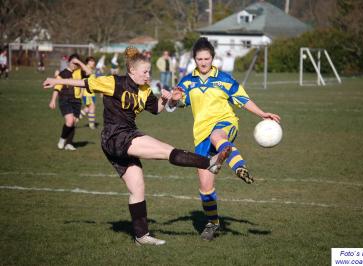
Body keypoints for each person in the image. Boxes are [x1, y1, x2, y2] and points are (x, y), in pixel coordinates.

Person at [43, 47, 231, 246]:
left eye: (149, 71)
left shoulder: (145, 90)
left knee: (137, 188)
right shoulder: (114, 82)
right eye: (145, 72)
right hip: (116, 135)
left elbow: (157, 109)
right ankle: (209, 163)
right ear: (132, 70)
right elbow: (84, 82)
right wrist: (56, 81)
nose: (148, 75)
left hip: (126, 136)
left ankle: (141, 237)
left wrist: (167, 99)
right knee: (165, 150)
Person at [167, 37, 281, 241]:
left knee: (217, 135)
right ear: (194, 59)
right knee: (205, 186)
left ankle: (239, 166)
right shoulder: (187, 81)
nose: (203, 62)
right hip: (200, 134)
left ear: (213, 58)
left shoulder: (224, 79)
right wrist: (173, 100)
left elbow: (243, 99)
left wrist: (262, 114)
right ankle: (213, 223)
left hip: (225, 123)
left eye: (207, 58)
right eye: (200, 59)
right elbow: (174, 105)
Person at [48, 53, 92, 151]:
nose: (74, 65)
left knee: (73, 123)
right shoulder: (62, 73)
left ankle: (69, 143)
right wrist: (53, 100)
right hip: (65, 99)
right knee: (70, 121)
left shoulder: (80, 72)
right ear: (69, 62)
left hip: (77, 101)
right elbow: (57, 87)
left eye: (76, 64)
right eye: (73, 62)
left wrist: (79, 62)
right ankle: (62, 140)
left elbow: (89, 72)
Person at [80, 57, 97, 129]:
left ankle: (76, 118)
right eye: (91, 61)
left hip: (92, 93)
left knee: (88, 108)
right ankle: (91, 125)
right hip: (87, 93)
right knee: (92, 107)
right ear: (88, 62)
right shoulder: (86, 69)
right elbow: (83, 81)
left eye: (93, 61)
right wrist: (81, 92)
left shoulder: (92, 70)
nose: (93, 63)